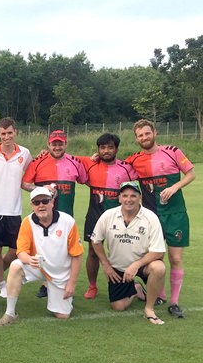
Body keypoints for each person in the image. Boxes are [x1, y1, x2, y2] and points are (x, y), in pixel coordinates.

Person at [125, 119, 194, 318]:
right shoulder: (134, 159)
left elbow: (190, 174)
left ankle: (174, 302)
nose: (144, 138)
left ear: (154, 132)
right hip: (151, 217)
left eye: (147, 133)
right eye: (140, 135)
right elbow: (116, 165)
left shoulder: (172, 151)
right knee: (156, 257)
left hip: (175, 214)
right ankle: (159, 295)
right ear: (136, 138)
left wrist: (174, 187)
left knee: (175, 258)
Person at [0, 187, 83, 325]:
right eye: (36, 203)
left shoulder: (68, 222)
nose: (41, 205)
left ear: (52, 202)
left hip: (60, 274)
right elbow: (21, 252)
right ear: (32, 205)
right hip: (38, 266)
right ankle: (10, 313)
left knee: (62, 315)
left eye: (45, 201)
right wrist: (29, 259)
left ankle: (54, 288)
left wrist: (72, 283)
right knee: (16, 265)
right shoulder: (27, 222)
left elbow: (77, 255)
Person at [21, 129, 87, 298]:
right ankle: (45, 283)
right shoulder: (38, 162)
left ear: (66, 144)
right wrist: (41, 189)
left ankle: (61, 281)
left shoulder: (75, 162)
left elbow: (86, 177)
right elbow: (25, 183)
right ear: (48, 144)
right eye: (54, 144)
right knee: (44, 247)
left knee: (64, 250)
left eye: (60, 144)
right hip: (43, 216)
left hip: (65, 217)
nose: (57, 147)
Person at [90, 181, 166, 325]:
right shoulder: (108, 215)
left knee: (159, 267)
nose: (128, 199)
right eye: (124, 196)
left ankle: (149, 309)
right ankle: (137, 289)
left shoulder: (151, 218)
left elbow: (158, 251)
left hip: (143, 265)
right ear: (119, 198)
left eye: (133, 195)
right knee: (118, 307)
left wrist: (136, 265)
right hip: (118, 267)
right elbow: (96, 240)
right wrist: (106, 265)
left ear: (140, 198)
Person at [75, 133, 136, 299]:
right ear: (98, 150)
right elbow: (69, 157)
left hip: (119, 219)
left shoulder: (126, 168)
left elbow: (135, 191)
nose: (106, 151)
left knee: (122, 251)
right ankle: (92, 286)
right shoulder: (91, 165)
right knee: (93, 252)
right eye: (102, 147)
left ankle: (128, 284)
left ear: (116, 149)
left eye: (110, 147)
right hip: (95, 217)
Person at [0, 118, 32, 298]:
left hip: (14, 210)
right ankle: (1, 283)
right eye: (3, 133)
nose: (6, 137)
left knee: (15, 250)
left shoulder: (25, 153)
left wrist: (38, 189)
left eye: (10, 133)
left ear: (15, 132)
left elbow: (28, 177)